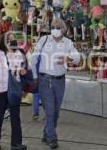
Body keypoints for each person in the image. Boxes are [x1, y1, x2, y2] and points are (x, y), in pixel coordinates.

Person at [31, 18, 80, 149]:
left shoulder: (67, 42)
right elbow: (33, 57)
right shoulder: (44, 40)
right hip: (45, 80)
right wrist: (35, 77)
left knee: (56, 112)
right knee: (50, 110)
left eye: (58, 27)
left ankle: (46, 133)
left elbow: (77, 57)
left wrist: (68, 58)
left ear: (63, 29)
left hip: (60, 81)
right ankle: (52, 138)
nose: (55, 29)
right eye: (53, 26)